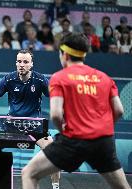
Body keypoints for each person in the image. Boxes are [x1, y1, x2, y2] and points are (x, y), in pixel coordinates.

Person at [22, 33, 131, 189]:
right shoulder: (104, 78)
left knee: (29, 173)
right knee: (123, 187)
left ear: (64, 54)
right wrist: (103, 127)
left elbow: (56, 114)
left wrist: (63, 131)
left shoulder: (59, 78)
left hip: (74, 141)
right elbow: (119, 110)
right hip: (103, 141)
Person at [0, 49, 61, 189]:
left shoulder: (40, 79)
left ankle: (56, 187)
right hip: (13, 124)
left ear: (31, 64)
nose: (21, 64)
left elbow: (55, 97)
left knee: (55, 155)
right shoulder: (9, 79)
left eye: (25, 62)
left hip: (35, 125)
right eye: (19, 61)